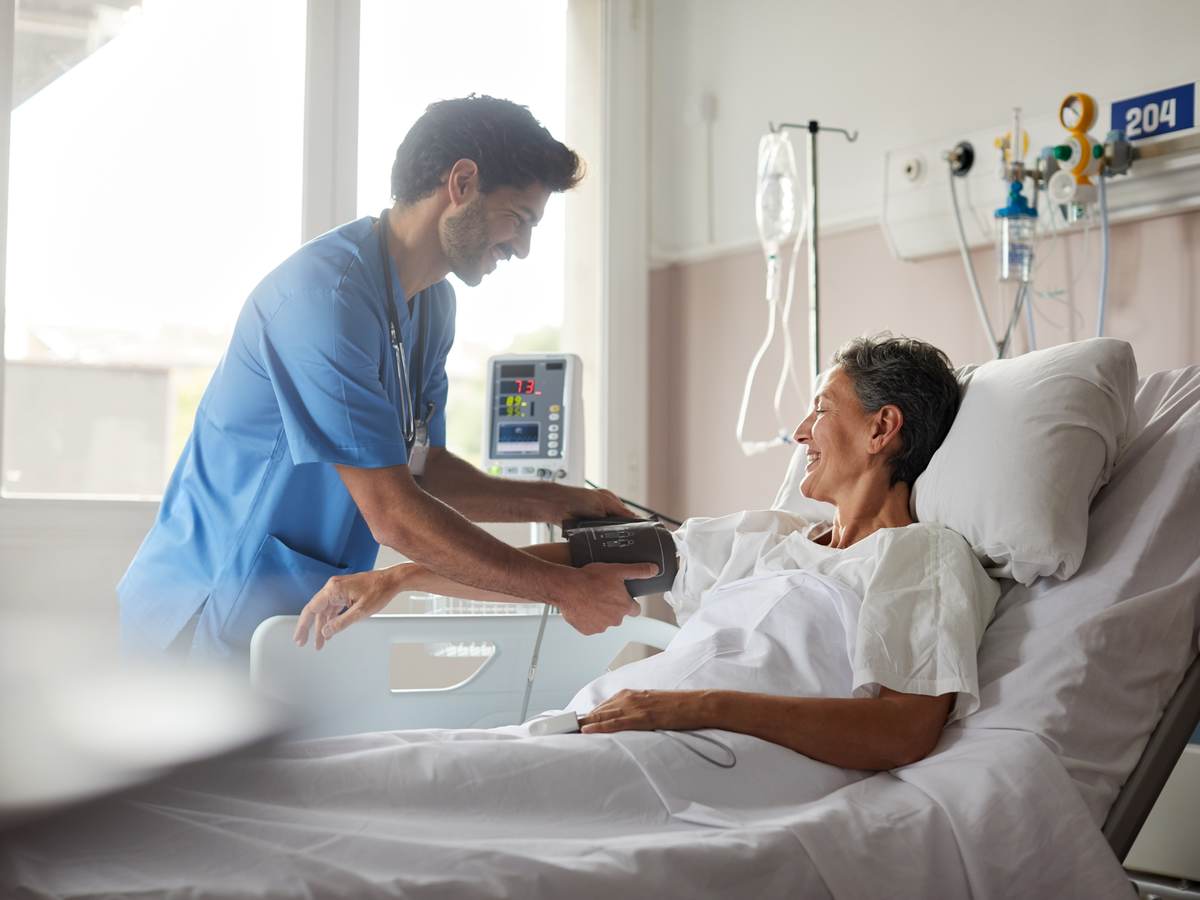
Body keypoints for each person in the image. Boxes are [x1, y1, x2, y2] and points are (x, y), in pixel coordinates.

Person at [295, 334, 1000, 770]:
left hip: (697, 756)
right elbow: (586, 564)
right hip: (605, 726)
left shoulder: (922, 557)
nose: (799, 431)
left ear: (883, 429)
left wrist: (693, 707)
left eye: (821, 408)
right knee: (367, 769)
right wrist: (408, 576)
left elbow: (901, 732)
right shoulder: (767, 538)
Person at [119, 96, 653, 659]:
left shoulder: (431, 306)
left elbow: (423, 472)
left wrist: (559, 503)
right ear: (463, 183)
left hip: (291, 610)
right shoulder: (323, 300)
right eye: (518, 219)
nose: (521, 247)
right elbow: (394, 513)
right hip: (201, 608)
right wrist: (565, 589)